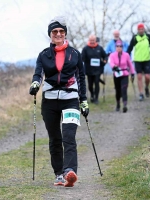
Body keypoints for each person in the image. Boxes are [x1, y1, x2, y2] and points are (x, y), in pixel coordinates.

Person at [29, 16, 89, 187]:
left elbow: (81, 78)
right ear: (50, 35)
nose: (58, 34)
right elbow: (38, 74)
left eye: (61, 31)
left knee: (69, 136)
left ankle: (70, 171)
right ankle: (59, 174)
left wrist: (83, 100)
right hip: (49, 102)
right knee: (55, 138)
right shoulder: (44, 55)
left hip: (70, 99)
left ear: (65, 34)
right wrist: (35, 84)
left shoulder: (75, 54)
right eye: (55, 31)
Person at [127, 23, 150, 101]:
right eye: (139, 29)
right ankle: (141, 93)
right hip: (137, 60)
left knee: (147, 77)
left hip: (147, 59)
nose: (141, 30)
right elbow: (130, 48)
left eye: (142, 29)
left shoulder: (148, 37)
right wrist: (126, 56)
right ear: (137, 30)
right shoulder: (134, 38)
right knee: (139, 77)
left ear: (144, 29)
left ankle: (146, 87)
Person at [109, 40, 135, 112]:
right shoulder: (112, 55)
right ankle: (118, 103)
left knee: (124, 89)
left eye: (120, 46)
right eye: (117, 46)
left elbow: (130, 64)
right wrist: (114, 66)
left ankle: (125, 105)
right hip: (117, 74)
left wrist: (132, 73)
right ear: (115, 47)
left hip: (124, 74)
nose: (119, 47)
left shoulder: (126, 55)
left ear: (122, 47)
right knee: (118, 90)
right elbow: (111, 63)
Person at [82, 35, 107, 104]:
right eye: (91, 40)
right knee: (90, 85)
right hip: (89, 70)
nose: (92, 42)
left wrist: (105, 60)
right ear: (89, 40)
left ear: (95, 40)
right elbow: (82, 58)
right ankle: (92, 95)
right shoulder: (85, 48)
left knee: (96, 83)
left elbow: (105, 56)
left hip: (98, 70)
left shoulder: (100, 48)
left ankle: (96, 98)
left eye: (93, 40)